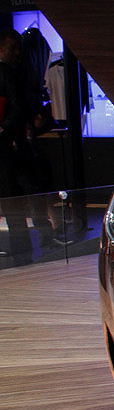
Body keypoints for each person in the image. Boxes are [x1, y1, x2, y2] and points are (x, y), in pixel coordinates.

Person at [0, 29, 32, 258]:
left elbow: (17, 107)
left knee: (11, 194)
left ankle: (21, 246)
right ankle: (20, 246)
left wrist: (4, 127)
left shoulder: (8, 72)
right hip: (8, 141)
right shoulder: (8, 72)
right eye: (12, 48)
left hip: (7, 144)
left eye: (17, 48)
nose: (16, 53)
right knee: (11, 194)